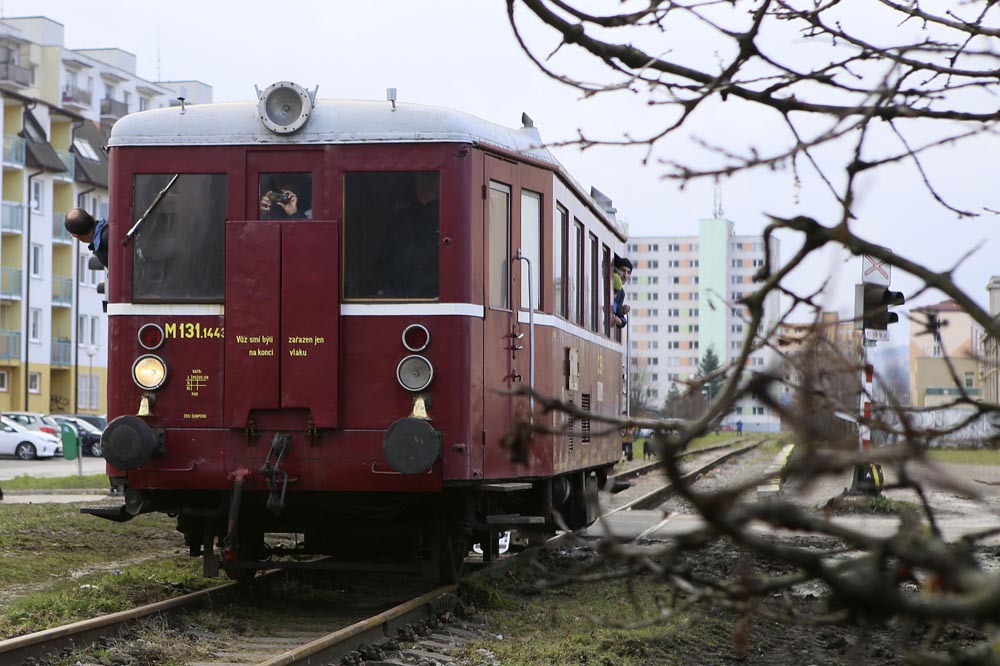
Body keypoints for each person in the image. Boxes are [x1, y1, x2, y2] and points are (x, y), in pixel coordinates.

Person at [612, 256, 633, 328]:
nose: (625, 275)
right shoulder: (607, 283)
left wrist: (620, 321)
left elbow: (621, 317)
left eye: (628, 272)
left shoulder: (621, 293)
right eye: (623, 270)